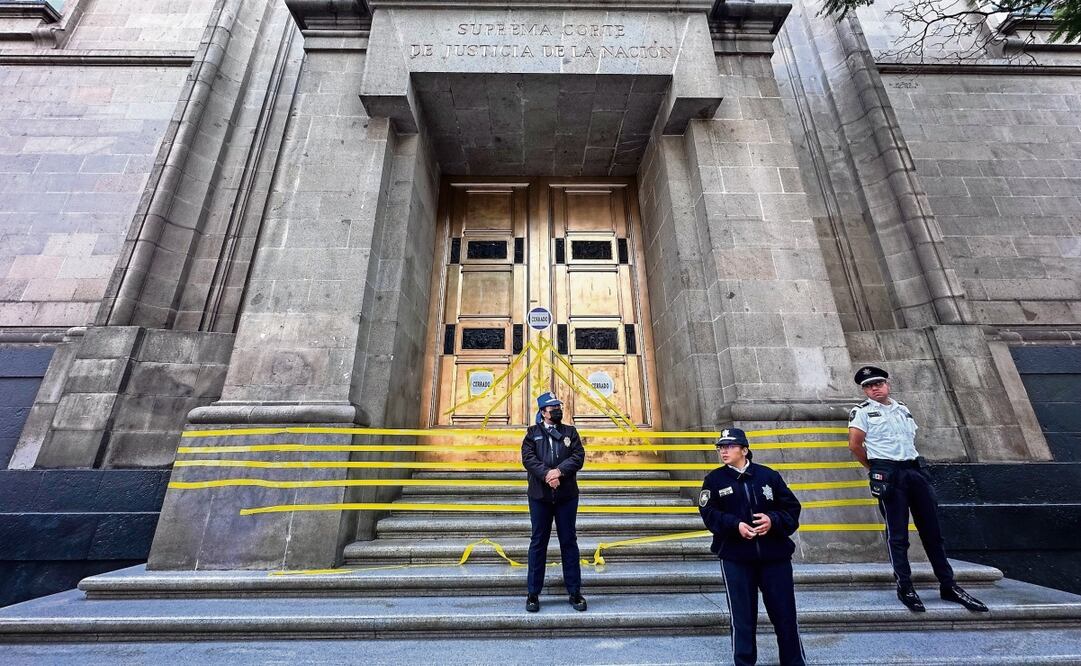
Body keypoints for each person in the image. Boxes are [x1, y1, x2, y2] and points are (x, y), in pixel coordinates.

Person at [848, 365, 988, 613]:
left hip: (914, 469)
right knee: (898, 534)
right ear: (864, 390)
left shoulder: (903, 408)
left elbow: (909, 439)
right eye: (869, 386)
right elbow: (855, 445)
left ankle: (948, 584)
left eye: (878, 383)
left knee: (932, 531)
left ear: (887, 384)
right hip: (889, 472)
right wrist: (874, 467)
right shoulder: (862, 412)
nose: (874, 389)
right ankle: (905, 586)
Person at [699, 428, 806, 666]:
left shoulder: (769, 476)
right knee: (742, 618)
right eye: (721, 447)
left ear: (744, 450)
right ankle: (745, 662)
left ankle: (794, 661)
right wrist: (734, 525)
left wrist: (773, 520)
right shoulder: (713, 480)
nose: (723, 451)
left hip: (774, 557)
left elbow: (792, 510)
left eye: (729, 446)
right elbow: (709, 514)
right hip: (736, 558)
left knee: (785, 615)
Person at [521, 391, 587, 613]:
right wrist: (548, 475)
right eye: (553, 408)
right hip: (540, 496)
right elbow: (528, 459)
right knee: (538, 542)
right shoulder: (532, 433)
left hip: (566, 496)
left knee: (569, 541)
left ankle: (575, 591)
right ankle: (533, 593)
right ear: (543, 412)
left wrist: (559, 472)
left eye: (559, 406)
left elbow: (578, 457)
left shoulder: (570, 432)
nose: (557, 410)